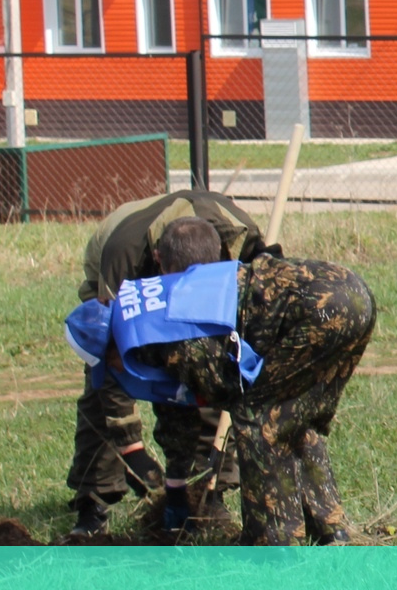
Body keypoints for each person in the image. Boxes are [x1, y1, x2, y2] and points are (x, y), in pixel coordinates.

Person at [135, 218, 377, 545]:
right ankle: (331, 531)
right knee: (293, 419)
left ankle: (271, 541)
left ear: (161, 261)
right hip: (354, 291)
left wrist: (177, 482)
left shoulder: (182, 304)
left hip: (322, 312)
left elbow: (219, 389)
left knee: (257, 417)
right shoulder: (225, 274)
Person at [67, 189, 266, 539]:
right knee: (100, 383)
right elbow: (110, 359)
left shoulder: (244, 243)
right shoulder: (125, 256)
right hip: (116, 268)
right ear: (159, 261)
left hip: (207, 270)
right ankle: (93, 501)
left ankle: (208, 492)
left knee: (209, 368)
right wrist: (132, 447)